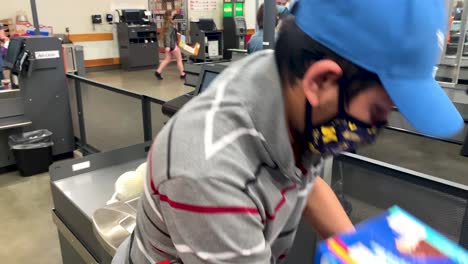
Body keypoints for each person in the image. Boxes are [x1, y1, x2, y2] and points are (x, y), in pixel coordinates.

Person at [113, 0, 463, 263]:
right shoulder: (209, 175)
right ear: (322, 81)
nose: (377, 128)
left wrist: (364, 253)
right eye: (376, 111)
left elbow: (306, 184)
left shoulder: (285, 88)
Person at [154, 11, 185, 80]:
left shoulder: (167, 24)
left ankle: (158, 72)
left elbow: (169, 35)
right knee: (179, 59)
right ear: (169, 16)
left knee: (167, 59)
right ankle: (182, 74)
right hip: (172, 45)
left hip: (169, 45)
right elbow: (167, 36)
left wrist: (177, 34)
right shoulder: (169, 25)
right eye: (172, 14)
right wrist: (168, 46)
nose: (174, 15)